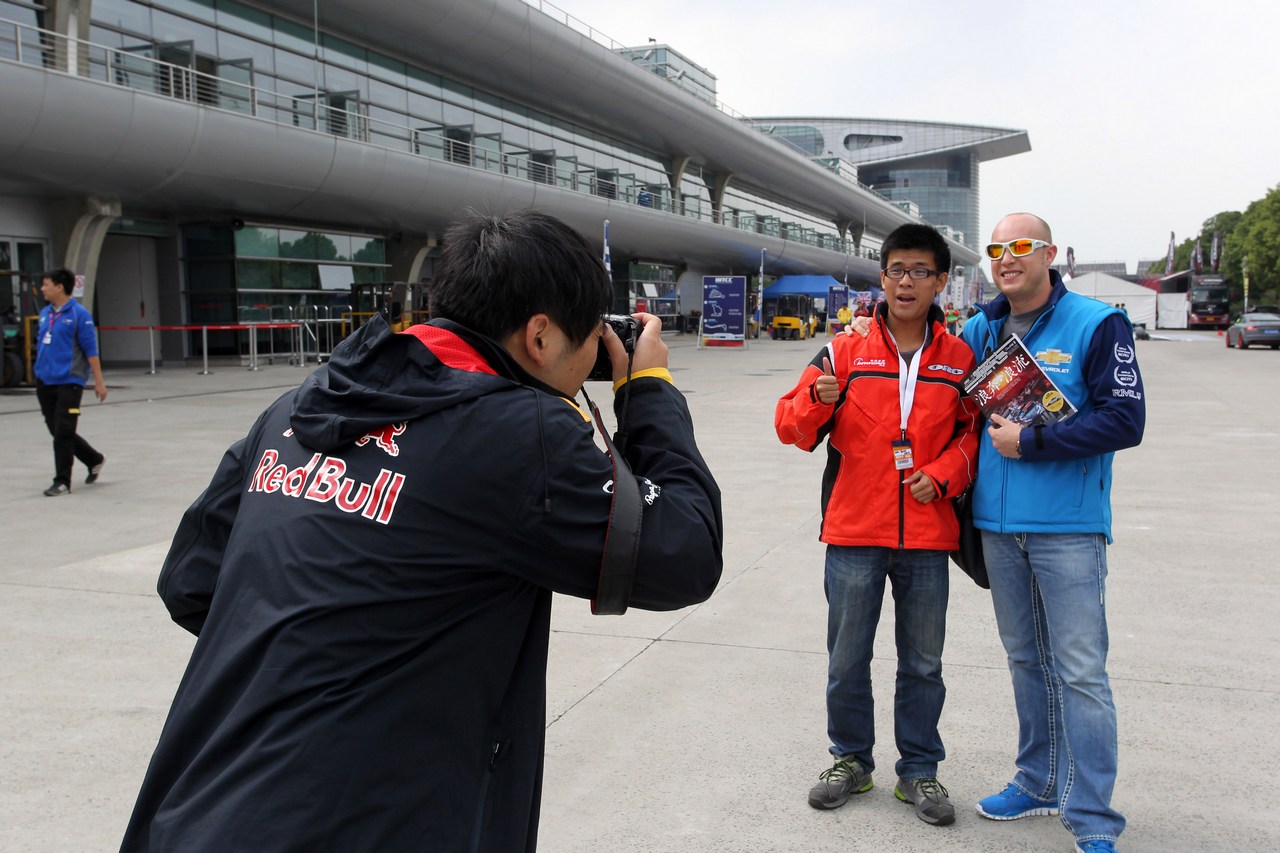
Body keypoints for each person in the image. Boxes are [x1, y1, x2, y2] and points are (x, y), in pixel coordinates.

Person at [120, 211, 724, 852]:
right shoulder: (520, 434)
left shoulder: (304, 404)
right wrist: (649, 390)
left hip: (198, 809)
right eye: (590, 341)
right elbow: (681, 550)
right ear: (540, 336)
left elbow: (190, 581)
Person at [775, 223, 979, 826]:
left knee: (923, 663)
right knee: (846, 658)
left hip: (926, 536)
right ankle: (850, 760)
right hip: (854, 533)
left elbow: (974, 435)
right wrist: (819, 397)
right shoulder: (844, 348)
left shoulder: (959, 358)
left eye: (920, 271)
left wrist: (942, 474)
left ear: (941, 281)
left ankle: (919, 770)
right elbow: (791, 427)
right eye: (895, 269)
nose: (906, 281)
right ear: (881, 277)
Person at [961, 213, 1144, 853]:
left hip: (1068, 529)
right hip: (997, 526)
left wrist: (1032, 442)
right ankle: (1037, 781)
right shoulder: (979, 328)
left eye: (1020, 247)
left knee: (1081, 671)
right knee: (1023, 659)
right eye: (996, 249)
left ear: (1049, 253)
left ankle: (1093, 817)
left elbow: (1125, 420)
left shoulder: (1097, 323)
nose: (1006, 258)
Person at [34, 268, 106, 496]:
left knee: (64, 431)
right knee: (56, 430)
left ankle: (62, 481)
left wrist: (99, 381)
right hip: (45, 381)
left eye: (46, 285)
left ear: (59, 286)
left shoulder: (79, 314)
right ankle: (94, 459)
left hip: (70, 381)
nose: (42, 289)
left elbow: (91, 350)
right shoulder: (45, 313)